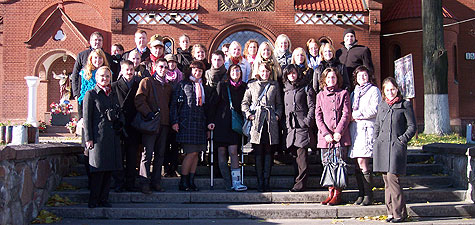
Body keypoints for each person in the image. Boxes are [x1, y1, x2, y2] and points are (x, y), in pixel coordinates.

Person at [373, 77, 416, 223]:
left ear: (397, 89)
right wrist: (376, 139)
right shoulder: (382, 105)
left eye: (393, 89)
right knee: (386, 181)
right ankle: (391, 212)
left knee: (393, 179)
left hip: (396, 147)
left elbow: (412, 127)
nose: (390, 92)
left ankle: (399, 213)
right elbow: (377, 124)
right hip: (382, 146)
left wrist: (401, 140)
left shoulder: (405, 105)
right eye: (387, 90)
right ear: (383, 91)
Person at [170, 61, 215, 191]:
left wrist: (207, 126)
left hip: (200, 124)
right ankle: (183, 181)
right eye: (195, 70)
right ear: (190, 71)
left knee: (196, 153)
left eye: (200, 71)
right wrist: (175, 121)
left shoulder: (204, 86)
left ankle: (191, 180)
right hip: (186, 123)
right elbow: (174, 105)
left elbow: (206, 108)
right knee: (190, 153)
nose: (197, 72)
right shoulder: (183, 85)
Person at [83, 66, 123, 208]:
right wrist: (89, 138)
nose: (104, 78)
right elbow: (87, 118)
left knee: (108, 170)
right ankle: (93, 200)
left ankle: (104, 199)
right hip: (98, 137)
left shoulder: (112, 94)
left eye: (107, 76)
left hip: (111, 136)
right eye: (102, 76)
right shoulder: (91, 94)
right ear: (96, 77)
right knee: (98, 170)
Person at [241, 62, 283, 192]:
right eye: (262, 71)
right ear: (258, 71)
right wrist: (248, 115)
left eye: (267, 71)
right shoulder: (251, 85)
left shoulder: (274, 85)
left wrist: (277, 115)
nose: (265, 73)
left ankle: (266, 181)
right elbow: (245, 103)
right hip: (257, 123)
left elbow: (279, 104)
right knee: (258, 153)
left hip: (270, 122)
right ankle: (260, 181)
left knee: (269, 152)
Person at [135, 58, 173, 194]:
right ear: (155, 67)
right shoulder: (147, 82)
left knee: (160, 154)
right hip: (151, 123)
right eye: (161, 66)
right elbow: (139, 100)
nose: (163, 69)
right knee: (147, 154)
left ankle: (156, 181)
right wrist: (148, 113)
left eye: (165, 67)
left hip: (164, 124)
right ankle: (144, 182)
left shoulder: (168, 86)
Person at [315, 67, 351, 206]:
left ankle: (338, 193)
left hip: (339, 136)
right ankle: (330, 192)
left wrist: (338, 132)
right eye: (328, 77)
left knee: (339, 164)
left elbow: (346, 114)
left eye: (333, 77)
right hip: (326, 138)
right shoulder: (320, 95)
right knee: (328, 164)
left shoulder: (343, 93)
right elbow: (318, 117)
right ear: (324, 80)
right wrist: (326, 133)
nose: (331, 80)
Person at [210, 64, 248, 191]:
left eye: (238, 70)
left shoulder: (244, 87)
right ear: (229, 73)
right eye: (233, 70)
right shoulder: (223, 85)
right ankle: (227, 182)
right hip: (221, 122)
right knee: (221, 152)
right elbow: (214, 103)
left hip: (234, 124)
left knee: (233, 152)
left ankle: (236, 181)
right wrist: (211, 121)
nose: (236, 72)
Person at [349, 65, 382, 206]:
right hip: (355, 130)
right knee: (357, 163)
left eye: (365, 75)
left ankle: (369, 194)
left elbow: (375, 109)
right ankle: (361, 193)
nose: (362, 78)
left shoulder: (374, 90)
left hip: (367, 129)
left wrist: (356, 114)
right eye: (359, 76)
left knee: (364, 162)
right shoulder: (354, 92)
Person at [282, 64, 316, 192]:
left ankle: (300, 184)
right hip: (290, 127)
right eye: (289, 74)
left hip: (301, 126)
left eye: (294, 73)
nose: (292, 75)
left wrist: (306, 122)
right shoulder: (285, 88)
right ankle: (296, 181)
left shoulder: (306, 88)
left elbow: (312, 106)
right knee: (294, 157)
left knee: (302, 158)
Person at [111, 60, 142, 192]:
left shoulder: (138, 85)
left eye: (131, 69)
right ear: (122, 71)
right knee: (119, 155)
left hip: (134, 124)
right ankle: (118, 182)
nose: (129, 72)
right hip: (119, 125)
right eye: (127, 70)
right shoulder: (114, 86)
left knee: (132, 156)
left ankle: (130, 182)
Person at [71, 32, 112, 109]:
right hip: (84, 93)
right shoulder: (82, 55)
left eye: (99, 40)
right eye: (95, 40)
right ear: (90, 42)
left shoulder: (108, 57)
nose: (97, 42)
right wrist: (76, 93)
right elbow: (75, 74)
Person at [163, 54, 183, 177]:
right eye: (169, 62)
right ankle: (166, 168)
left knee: (175, 145)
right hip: (165, 115)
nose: (171, 64)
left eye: (173, 62)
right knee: (164, 144)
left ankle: (174, 167)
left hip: (177, 115)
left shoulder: (180, 77)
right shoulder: (161, 78)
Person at [78, 49, 110, 118]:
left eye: (100, 58)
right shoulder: (84, 74)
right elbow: (81, 94)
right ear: (91, 59)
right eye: (95, 57)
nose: (98, 60)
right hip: (89, 105)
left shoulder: (109, 73)